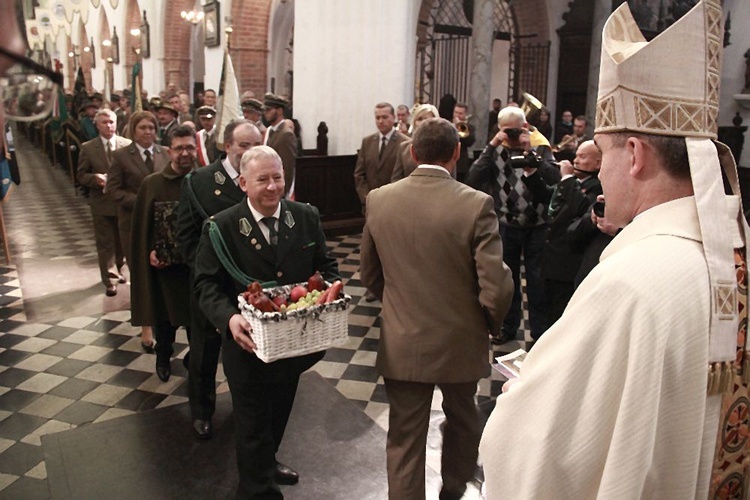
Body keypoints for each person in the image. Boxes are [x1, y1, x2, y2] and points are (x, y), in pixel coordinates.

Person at [480, 1, 750, 498]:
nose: (598, 172)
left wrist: (520, 397)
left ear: (635, 155)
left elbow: (539, 451)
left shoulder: (631, 283)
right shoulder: (735, 258)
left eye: (603, 153)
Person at [360, 117, 513, 500]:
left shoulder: (379, 199)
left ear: (412, 153)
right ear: (457, 152)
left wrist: (401, 307)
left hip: (404, 339)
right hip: (460, 340)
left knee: (404, 437)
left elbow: (369, 274)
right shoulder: (477, 205)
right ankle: (454, 490)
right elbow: (493, 284)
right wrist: (490, 324)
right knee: (463, 422)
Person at [193, 145, 339, 498]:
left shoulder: (304, 216)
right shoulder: (221, 227)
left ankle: (267, 462)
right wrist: (228, 319)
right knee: (253, 425)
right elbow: (205, 284)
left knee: (278, 413)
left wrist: (330, 289)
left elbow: (326, 265)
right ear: (243, 182)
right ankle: (258, 489)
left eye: (278, 178)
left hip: (294, 346)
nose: (273, 187)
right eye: (263, 180)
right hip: (247, 347)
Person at [176, 120, 263, 440]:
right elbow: (185, 236)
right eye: (243, 145)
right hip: (210, 284)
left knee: (247, 355)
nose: (250, 151)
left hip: (250, 287)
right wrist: (205, 273)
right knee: (203, 351)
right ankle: (201, 411)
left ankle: (248, 413)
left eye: (256, 144)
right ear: (227, 147)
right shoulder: (199, 181)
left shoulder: (260, 180)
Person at [467, 106, 560, 343]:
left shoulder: (539, 145)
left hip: (537, 225)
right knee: (508, 282)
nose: (511, 136)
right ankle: (507, 329)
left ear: (526, 127)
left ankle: (539, 335)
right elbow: (473, 177)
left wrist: (531, 152)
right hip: (505, 224)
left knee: (537, 282)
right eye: (506, 131)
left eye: (516, 130)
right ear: (499, 129)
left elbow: (553, 178)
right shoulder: (495, 149)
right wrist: (491, 145)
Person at [130, 125, 195, 382]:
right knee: (166, 323)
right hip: (166, 271)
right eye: (179, 148)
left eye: (189, 147)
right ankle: (163, 356)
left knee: (196, 325)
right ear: (170, 151)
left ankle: (196, 362)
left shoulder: (204, 182)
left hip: (195, 270)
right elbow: (141, 230)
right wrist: (149, 252)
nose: (184, 153)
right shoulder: (153, 184)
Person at [107, 111, 170, 352]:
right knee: (141, 275)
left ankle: (165, 319)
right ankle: (146, 326)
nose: (148, 132)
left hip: (161, 225)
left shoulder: (165, 153)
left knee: (163, 272)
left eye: (152, 127)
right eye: (143, 127)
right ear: (133, 130)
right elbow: (112, 190)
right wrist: (142, 200)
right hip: (133, 223)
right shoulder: (122, 156)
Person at [524, 140, 602, 329]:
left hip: (569, 264)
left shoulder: (597, 187)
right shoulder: (573, 183)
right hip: (551, 259)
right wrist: (531, 172)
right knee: (545, 310)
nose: (576, 161)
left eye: (582, 157)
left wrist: (566, 178)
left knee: (560, 316)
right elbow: (547, 196)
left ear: (598, 163)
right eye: (576, 155)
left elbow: (581, 207)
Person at [75, 109, 132, 297]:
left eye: (112, 122)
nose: (109, 126)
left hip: (123, 202)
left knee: (121, 241)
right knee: (105, 242)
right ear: (97, 125)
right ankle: (110, 279)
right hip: (101, 202)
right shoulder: (88, 148)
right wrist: (95, 178)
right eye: (104, 122)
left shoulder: (127, 145)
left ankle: (119, 268)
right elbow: (81, 175)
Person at [354, 102, 407, 209]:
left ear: (393, 117)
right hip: (370, 203)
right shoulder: (367, 142)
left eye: (384, 117)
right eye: (377, 118)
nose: (381, 121)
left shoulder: (404, 142)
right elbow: (359, 174)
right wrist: (366, 198)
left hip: (394, 203)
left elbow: (405, 175)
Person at [390, 103, 438, 182]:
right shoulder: (404, 147)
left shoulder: (445, 146)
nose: (423, 122)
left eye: (427, 119)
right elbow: (396, 178)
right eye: (419, 119)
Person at [262, 93, 297, 198]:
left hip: (278, 187)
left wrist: (284, 192)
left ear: (280, 111)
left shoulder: (286, 134)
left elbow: (288, 166)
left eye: (269, 110)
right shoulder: (270, 131)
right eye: (265, 110)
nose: (265, 113)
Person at [453, 102, 475, 182]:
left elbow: (470, 142)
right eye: (455, 112)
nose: (457, 115)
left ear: (465, 114)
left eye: (460, 113)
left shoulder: (470, 128)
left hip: (461, 164)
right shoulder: (447, 124)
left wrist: (460, 127)